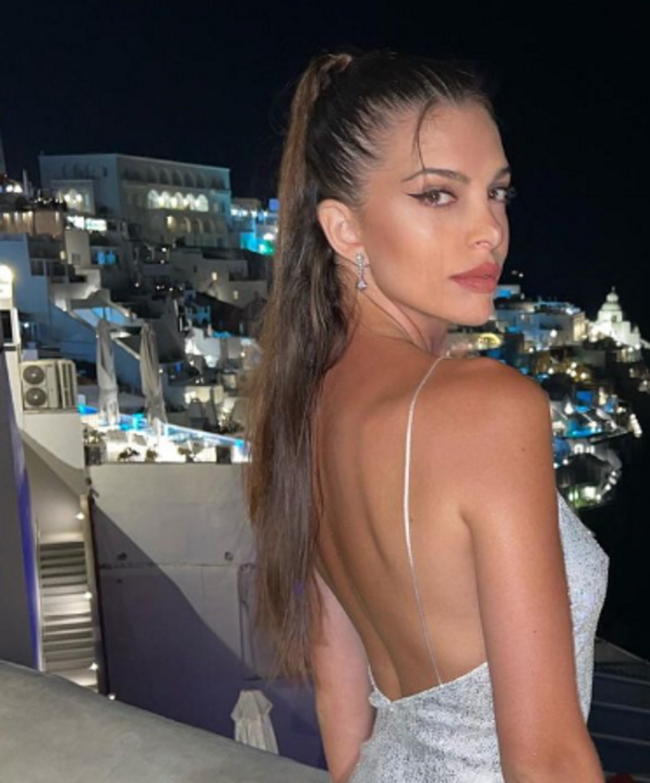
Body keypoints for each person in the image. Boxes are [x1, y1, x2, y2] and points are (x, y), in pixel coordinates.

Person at [242, 48, 610, 782]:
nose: (490, 231)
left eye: (498, 193)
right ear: (345, 230)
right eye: (438, 195)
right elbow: (545, 760)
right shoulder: (486, 408)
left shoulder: (304, 405)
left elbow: (343, 713)